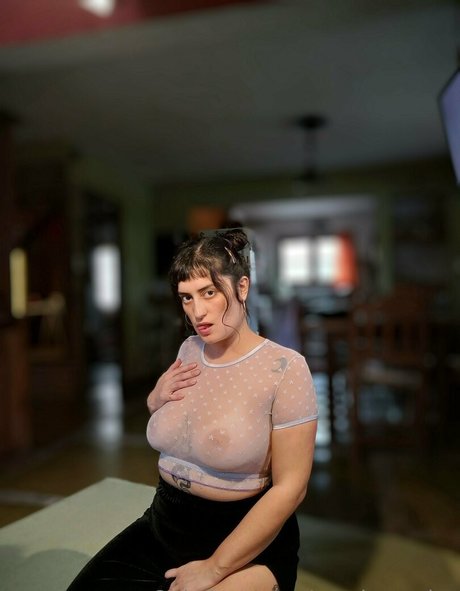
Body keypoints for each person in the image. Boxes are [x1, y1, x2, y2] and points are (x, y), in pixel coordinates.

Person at [67, 228, 318, 591]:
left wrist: (214, 568)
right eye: (186, 297)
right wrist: (155, 399)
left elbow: (291, 488)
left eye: (209, 292)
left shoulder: (285, 368)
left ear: (242, 287)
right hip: (163, 524)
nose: (197, 312)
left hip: (243, 540)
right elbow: (183, 423)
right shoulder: (189, 349)